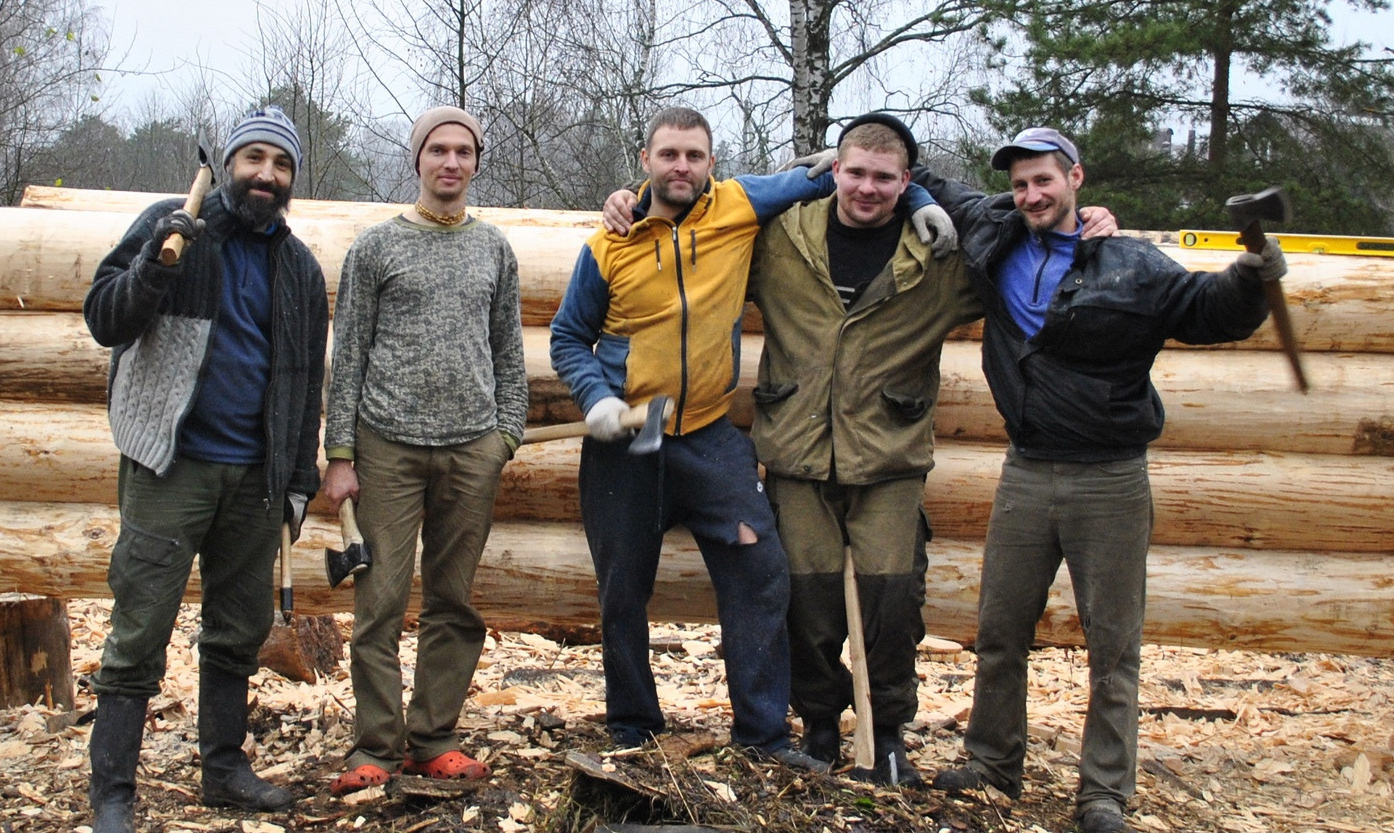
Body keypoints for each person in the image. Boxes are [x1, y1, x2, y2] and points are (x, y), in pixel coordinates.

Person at [548, 106, 955, 769]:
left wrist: (926, 202)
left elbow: (842, 175)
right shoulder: (607, 245)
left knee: (761, 570)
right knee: (622, 588)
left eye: (695, 156)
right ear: (646, 160)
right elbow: (569, 335)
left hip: (708, 435)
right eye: (669, 155)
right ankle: (633, 727)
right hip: (626, 443)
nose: (682, 167)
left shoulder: (740, 204)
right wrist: (595, 397)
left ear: (712, 162)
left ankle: (763, 736)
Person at [738, 115, 1117, 786]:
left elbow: (1024, 221)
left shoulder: (937, 255)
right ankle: (822, 725)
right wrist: (631, 201)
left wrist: (1091, 226)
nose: (867, 188)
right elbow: (702, 217)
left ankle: (887, 735)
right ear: (835, 172)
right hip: (796, 451)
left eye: (885, 178)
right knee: (808, 603)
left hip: (889, 458)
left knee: (892, 607)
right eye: (854, 172)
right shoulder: (780, 241)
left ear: (906, 182)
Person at [924, 127, 1281, 833]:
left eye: (1043, 181)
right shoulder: (997, 235)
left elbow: (1208, 313)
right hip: (1026, 470)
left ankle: (1103, 793)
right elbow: (935, 185)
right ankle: (994, 763)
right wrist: (849, 159)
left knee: (1112, 648)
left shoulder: (1131, 265)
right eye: (1020, 184)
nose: (1031, 195)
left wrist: (1253, 276)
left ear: (1075, 178)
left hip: (1110, 479)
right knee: (999, 632)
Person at [79, 106, 328, 827]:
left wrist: (298, 482)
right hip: (170, 462)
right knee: (141, 625)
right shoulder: (174, 224)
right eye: (254, 159)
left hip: (257, 476)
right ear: (227, 165)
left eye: (281, 165)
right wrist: (158, 265)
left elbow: (304, 379)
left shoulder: (298, 268)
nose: (267, 175)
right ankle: (114, 795)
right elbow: (104, 319)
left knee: (239, 627)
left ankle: (223, 769)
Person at [318, 107, 528, 794]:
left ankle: (433, 738)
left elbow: (508, 353)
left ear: (475, 162)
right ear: (418, 160)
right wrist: (341, 453)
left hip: (472, 450)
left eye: (463, 151)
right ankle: (374, 746)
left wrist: (505, 438)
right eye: (438, 150)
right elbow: (347, 353)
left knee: (452, 601)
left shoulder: (493, 248)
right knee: (378, 604)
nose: (451, 163)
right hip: (387, 449)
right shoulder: (376, 248)